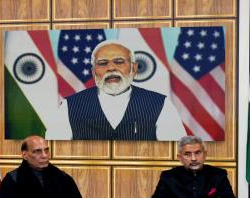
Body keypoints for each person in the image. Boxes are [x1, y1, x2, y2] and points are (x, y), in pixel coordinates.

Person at [46, 40, 186, 140]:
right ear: (94, 72)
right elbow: (55, 153)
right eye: (102, 63)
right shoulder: (70, 105)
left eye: (119, 62)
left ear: (134, 68)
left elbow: (174, 154)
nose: (111, 68)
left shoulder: (160, 103)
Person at [147, 135, 239, 198]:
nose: (193, 158)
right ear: (180, 158)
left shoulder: (218, 174)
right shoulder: (169, 176)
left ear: (205, 154)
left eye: (198, 153)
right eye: (187, 154)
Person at [0, 135, 86, 198]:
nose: (44, 155)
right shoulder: (12, 180)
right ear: (24, 155)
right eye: (37, 151)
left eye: (46, 150)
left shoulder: (63, 178)